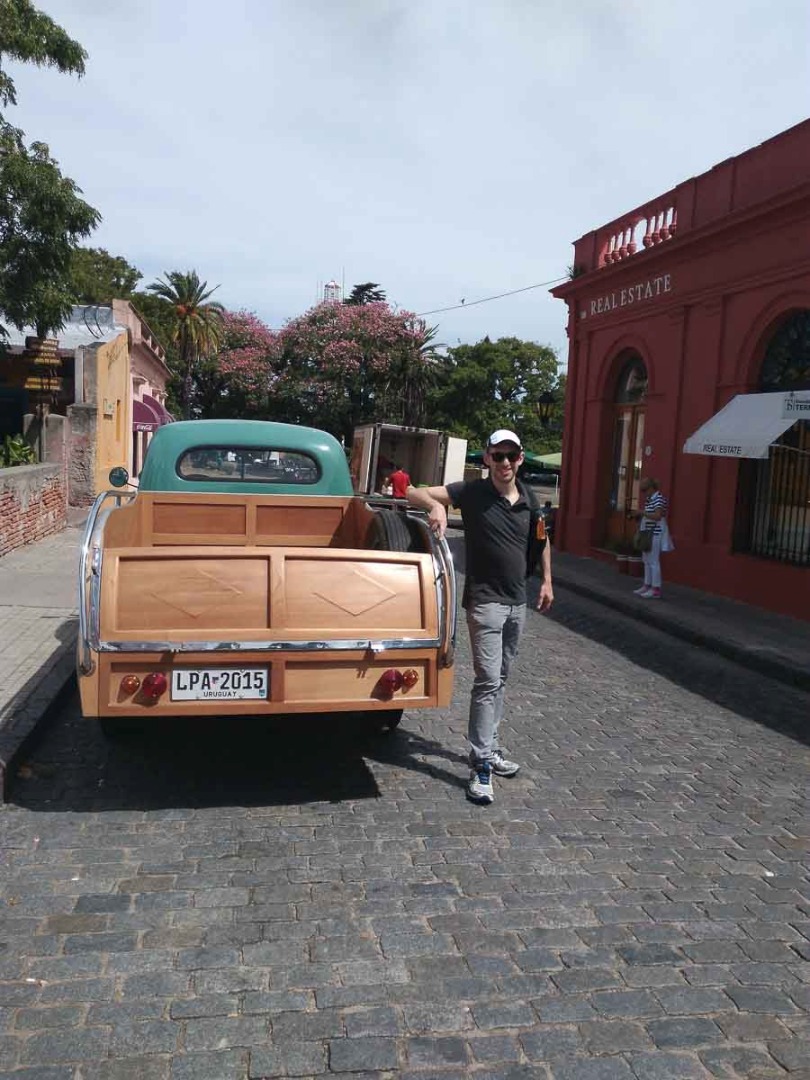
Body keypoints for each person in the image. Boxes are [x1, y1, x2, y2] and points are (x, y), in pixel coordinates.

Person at [406, 429, 553, 805]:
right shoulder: (472, 493)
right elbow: (412, 491)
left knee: (500, 678)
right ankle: (481, 762)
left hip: (517, 602)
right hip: (485, 602)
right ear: (487, 457)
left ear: (520, 458)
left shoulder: (530, 497)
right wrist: (436, 506)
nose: (505, 462)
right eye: (497, 455)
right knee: (487, 680)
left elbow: (542, 540)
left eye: (511, 456)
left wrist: (548, 581)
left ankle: (490, 747)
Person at [632, 477, 672, 599]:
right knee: (646, 560)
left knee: (653, 560)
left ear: (651, 488)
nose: (644, 493)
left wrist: (642, 512)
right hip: (647, 532)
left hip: (655, 532)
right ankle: (647, 585)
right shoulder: (650, 499)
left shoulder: (658, 498)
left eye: (645, 490)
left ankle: (655, 589)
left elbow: (658, 516)